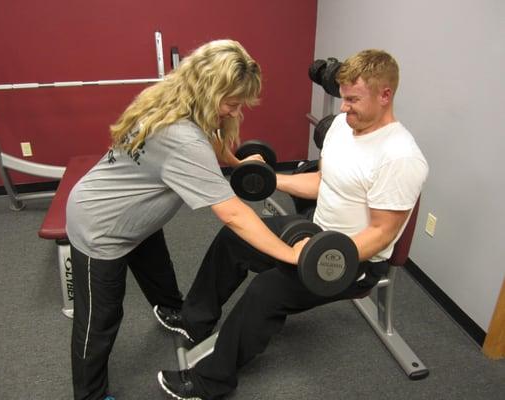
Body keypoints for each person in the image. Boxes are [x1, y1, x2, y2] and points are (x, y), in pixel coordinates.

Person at [156, 49, 429, 400]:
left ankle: (213, 381)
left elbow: (381, 234)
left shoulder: (400, 157)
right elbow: (322, 181)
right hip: (315, 231)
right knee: (233, 238)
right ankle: (195, 320)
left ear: (385, 95)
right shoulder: (346, 129)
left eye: (353, 99)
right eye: (342, 97)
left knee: (267, 291)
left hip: (352, 260)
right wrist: (269, 178)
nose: (344, 108)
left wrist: (310, 257)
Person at [65, 39, 306, 400]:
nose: (234, 110)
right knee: (99, 323)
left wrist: (240, 165)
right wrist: (292, 255)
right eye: (232, 101)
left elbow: (210, 138)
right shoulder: (181, 138)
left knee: (159, 274)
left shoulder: (169, 96)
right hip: (101, 228)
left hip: (136, 218)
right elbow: (233, 214)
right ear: (209, 90)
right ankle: (90, 395)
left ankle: (173, 312)